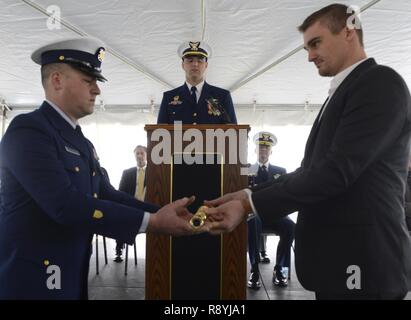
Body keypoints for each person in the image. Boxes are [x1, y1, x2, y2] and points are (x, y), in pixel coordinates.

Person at [205, 3, 411, 299]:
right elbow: (311, 169)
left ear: (349, 32)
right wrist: (248, 194)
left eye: (316, 43)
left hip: (364, 257)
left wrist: (249, 206)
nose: (311, 56)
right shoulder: (345, 90)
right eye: (307, 48)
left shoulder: (379, 83)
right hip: (339, 257)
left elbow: (334, 173)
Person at [0, 38, 206, 299]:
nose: (97, 90)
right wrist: (153, 222)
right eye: (89, 81)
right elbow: (64, 204)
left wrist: (167, 212)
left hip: (70, 274)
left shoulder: (80, 141)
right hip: (32, 281)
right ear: (56, 80)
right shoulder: (28, 130)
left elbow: (106, 193)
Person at [247, 132, 295, 289]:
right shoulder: (246, 170)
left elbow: (285, 195)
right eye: (260, 148)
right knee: (253, 223)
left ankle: (281, 269)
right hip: (255, 214)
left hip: (274, 214)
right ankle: (254, 269)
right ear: (255, 150)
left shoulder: (280, 171)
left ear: (271, 152)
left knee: (290, 226)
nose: (263, 151)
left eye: (266, 149)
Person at [157, 41, 237, 124]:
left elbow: (233, 132)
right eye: (190, 60)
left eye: (200, 60)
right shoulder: (168, 98)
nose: (195, 64)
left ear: (206, 65)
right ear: (183, 65)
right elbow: (159, 133)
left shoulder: (222, 97)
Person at [114, 145, 148, 262]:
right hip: (130, 206)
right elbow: (120, 192)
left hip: (147, 207)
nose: (139, 156)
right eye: (137, 154)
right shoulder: (127, 173)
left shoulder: (154, 173)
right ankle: (119, 250)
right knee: (119, 218)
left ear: (146, 155)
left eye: (141, 153)